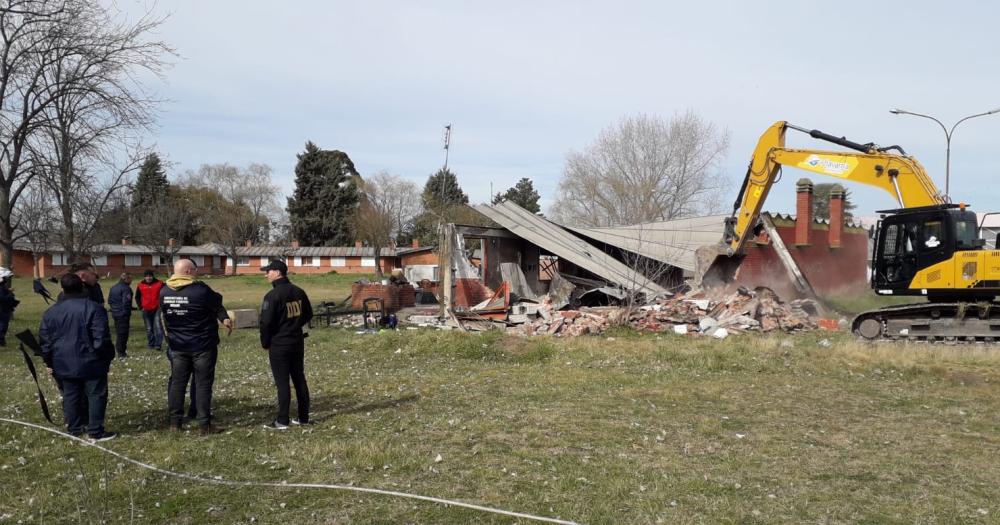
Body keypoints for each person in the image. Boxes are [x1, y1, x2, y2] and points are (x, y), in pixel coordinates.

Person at [39, 273, 116, 441]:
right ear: (82, 287)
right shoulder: (94, 308)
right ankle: (95, 430)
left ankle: (75, 428)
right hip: (90, 360)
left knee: (71, 395)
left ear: (62, 289)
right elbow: (101, 338)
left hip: (64, 361)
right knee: (95, 394)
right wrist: (106, 357)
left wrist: (48, 360)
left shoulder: (51, 312)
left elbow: (45, 341)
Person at [160, 259, 232, 434]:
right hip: (202, 345)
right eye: (195, 270)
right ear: (188, 271)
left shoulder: (164, 291)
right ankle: (204, 424)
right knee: (202, 384)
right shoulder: (200, 290)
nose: (196, 273)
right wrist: (223, 318)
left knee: (177, 384)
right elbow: (217, 300)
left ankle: (175, 423)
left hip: (177, 345)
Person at [259, 260, 314, 429]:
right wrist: (295, 325)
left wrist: (265, 342)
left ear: (277, 272)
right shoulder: (299, 291)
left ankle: (282, 420)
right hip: (297, 341)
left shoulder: (272, 296)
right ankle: (303, 417)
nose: (266, 274)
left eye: (268, 271)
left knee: (282, 382)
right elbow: (308, 314)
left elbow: (266, 323)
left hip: (279, 344)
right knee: (299, 379)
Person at [135, 269, 165, 351]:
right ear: (144, 277)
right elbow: (137, 297)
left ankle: (158, 345)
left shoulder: (160, 283)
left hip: (157, 308)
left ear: (153, 276)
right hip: (146, 309)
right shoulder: (140, 285)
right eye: (147, 276)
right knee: (149, 328)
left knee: (158, 327)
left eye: (150, 276)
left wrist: (162, 305)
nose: (148, 278)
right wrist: (141, 307)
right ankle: (151, 344)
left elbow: (165, 293)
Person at [107, 273, 133, 359]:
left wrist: (114, 309)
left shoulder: (113, 288)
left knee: (119, 332)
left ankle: (120, 351)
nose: (131, 281)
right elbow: (126, 302)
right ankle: (121, 352)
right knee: (123, 334)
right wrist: (125, 313)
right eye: (130, 279)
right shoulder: (126, 289)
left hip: (115, 313)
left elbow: (109, 301)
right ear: (126, 279)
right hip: (123, 314)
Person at [0, 267, 18, 346]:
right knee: (3, 325)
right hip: (2, 309)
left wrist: (8, 291)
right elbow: (2, 298)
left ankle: (2, 341)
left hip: (4, 309)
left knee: (4, 325)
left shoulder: (2, 286)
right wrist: (10, 295)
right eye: (5, 278)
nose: (6, 279)